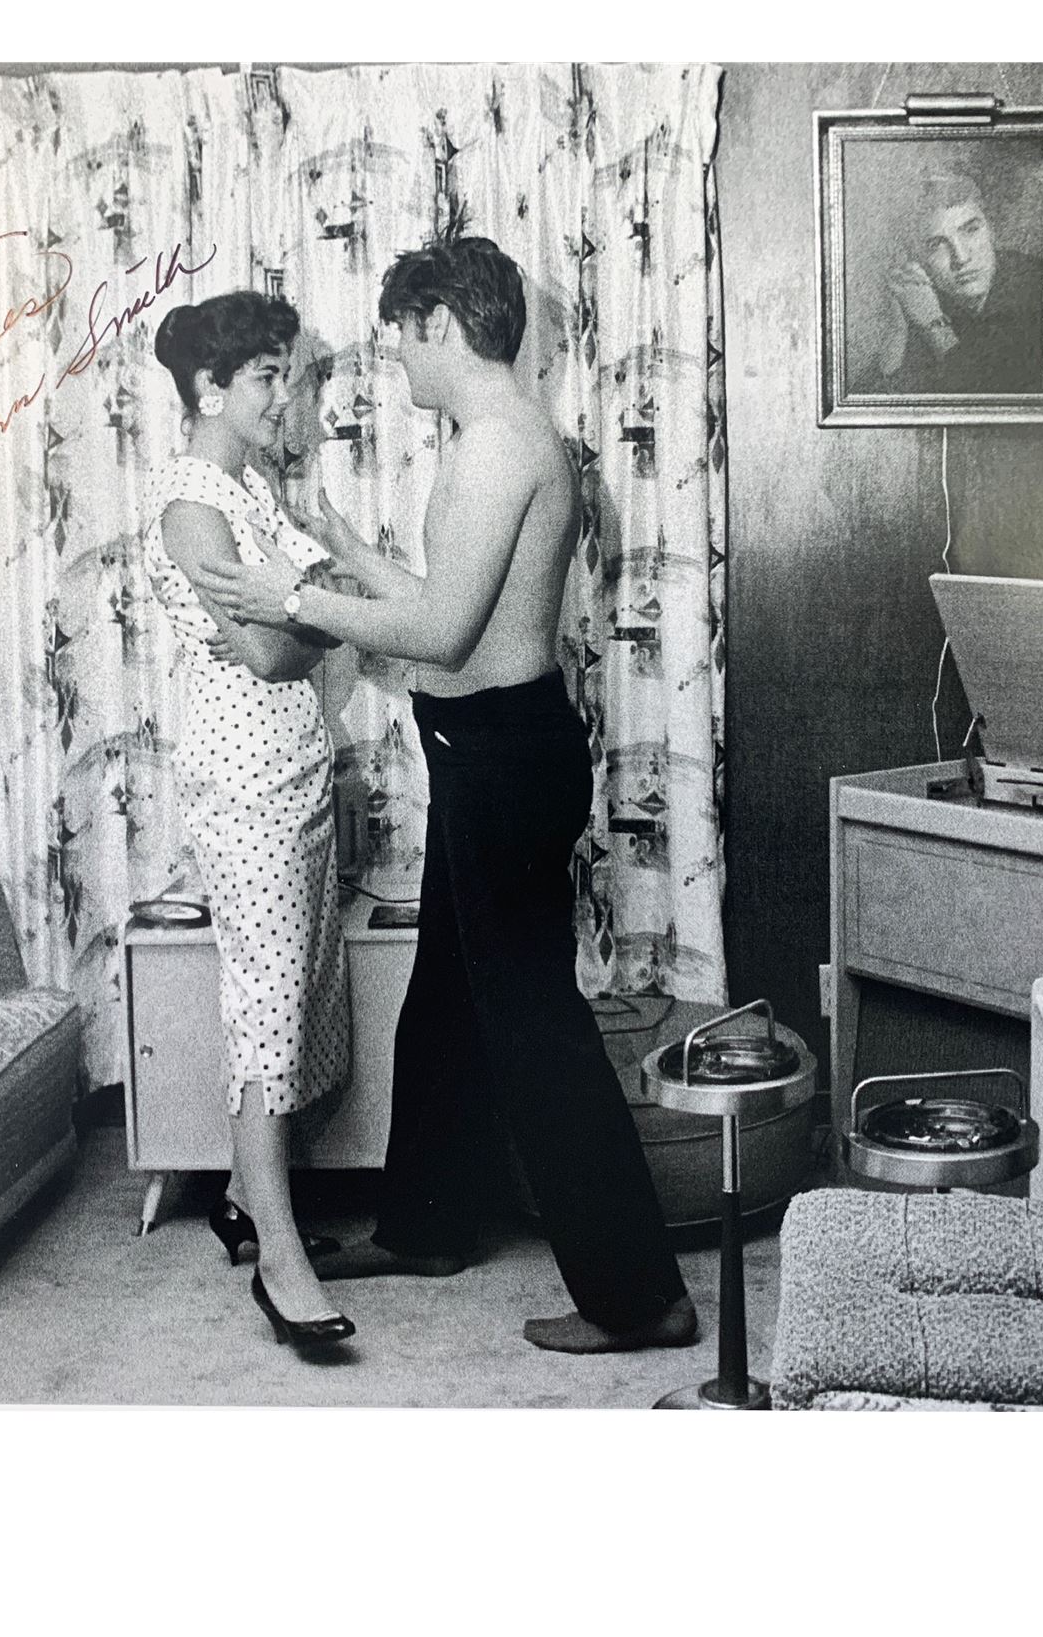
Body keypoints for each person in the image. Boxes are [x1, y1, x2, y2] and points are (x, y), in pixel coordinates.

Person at [193, 237, 697, 1355]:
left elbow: (440, 631)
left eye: (401, 341)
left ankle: (638, 1297)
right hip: (489, 748)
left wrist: (292, 598)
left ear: (440, 325)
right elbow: (452, 598)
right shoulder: (503, 437)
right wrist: (340, 546)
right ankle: (425, 1227)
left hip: (505, 757)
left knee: (536, 1027)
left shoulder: (495, 449)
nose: (399, 365)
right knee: (448, 1004)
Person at [144, 291, 356, 1349]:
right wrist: (320, 610)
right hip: (244, 786)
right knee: (267, 1006)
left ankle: (240, 1194)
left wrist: (309, 603)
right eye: (268, 377)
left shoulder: (250, 488)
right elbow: (274, 650)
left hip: (296, 771)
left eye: (289, 374)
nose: (286, 396)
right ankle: (280, 1256)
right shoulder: (194, 508)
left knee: (302, 990)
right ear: (209, 388)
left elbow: (297, 615)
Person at [867, 171, 1043, 395]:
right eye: (936, 244)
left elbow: (989, 397)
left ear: (992, 230)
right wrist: (897, 330)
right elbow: (877, 400)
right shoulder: (926, 298)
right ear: (915, 258)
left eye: (971, 230)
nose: (961, 258)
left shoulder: (1038, 287)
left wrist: (934, 326)